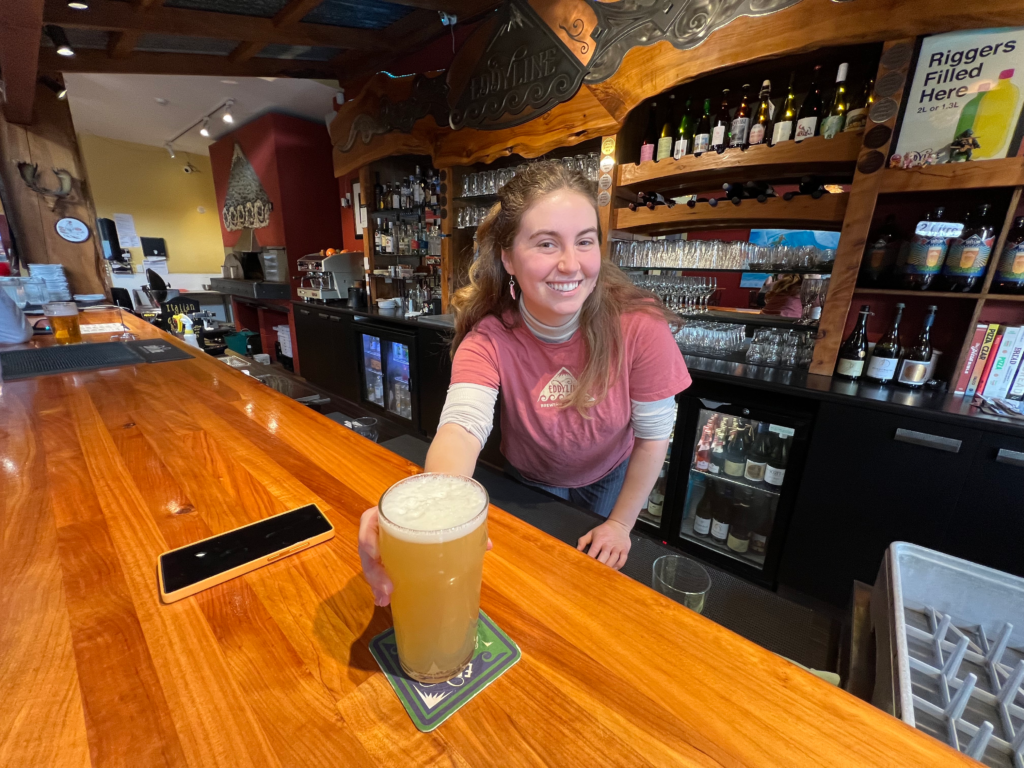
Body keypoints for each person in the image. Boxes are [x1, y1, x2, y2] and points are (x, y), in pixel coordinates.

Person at [359, 161, 691, 606]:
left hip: (608, 472)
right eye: (546, 243)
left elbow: (654, 436)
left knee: (584, 587)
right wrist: (427, 516)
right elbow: (461, 427)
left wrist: (620, 524)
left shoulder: (639, 325)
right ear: (508, 257)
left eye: (585, 241)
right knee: (536, 586)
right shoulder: (490, 337)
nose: (571, 263)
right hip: (530, 480)